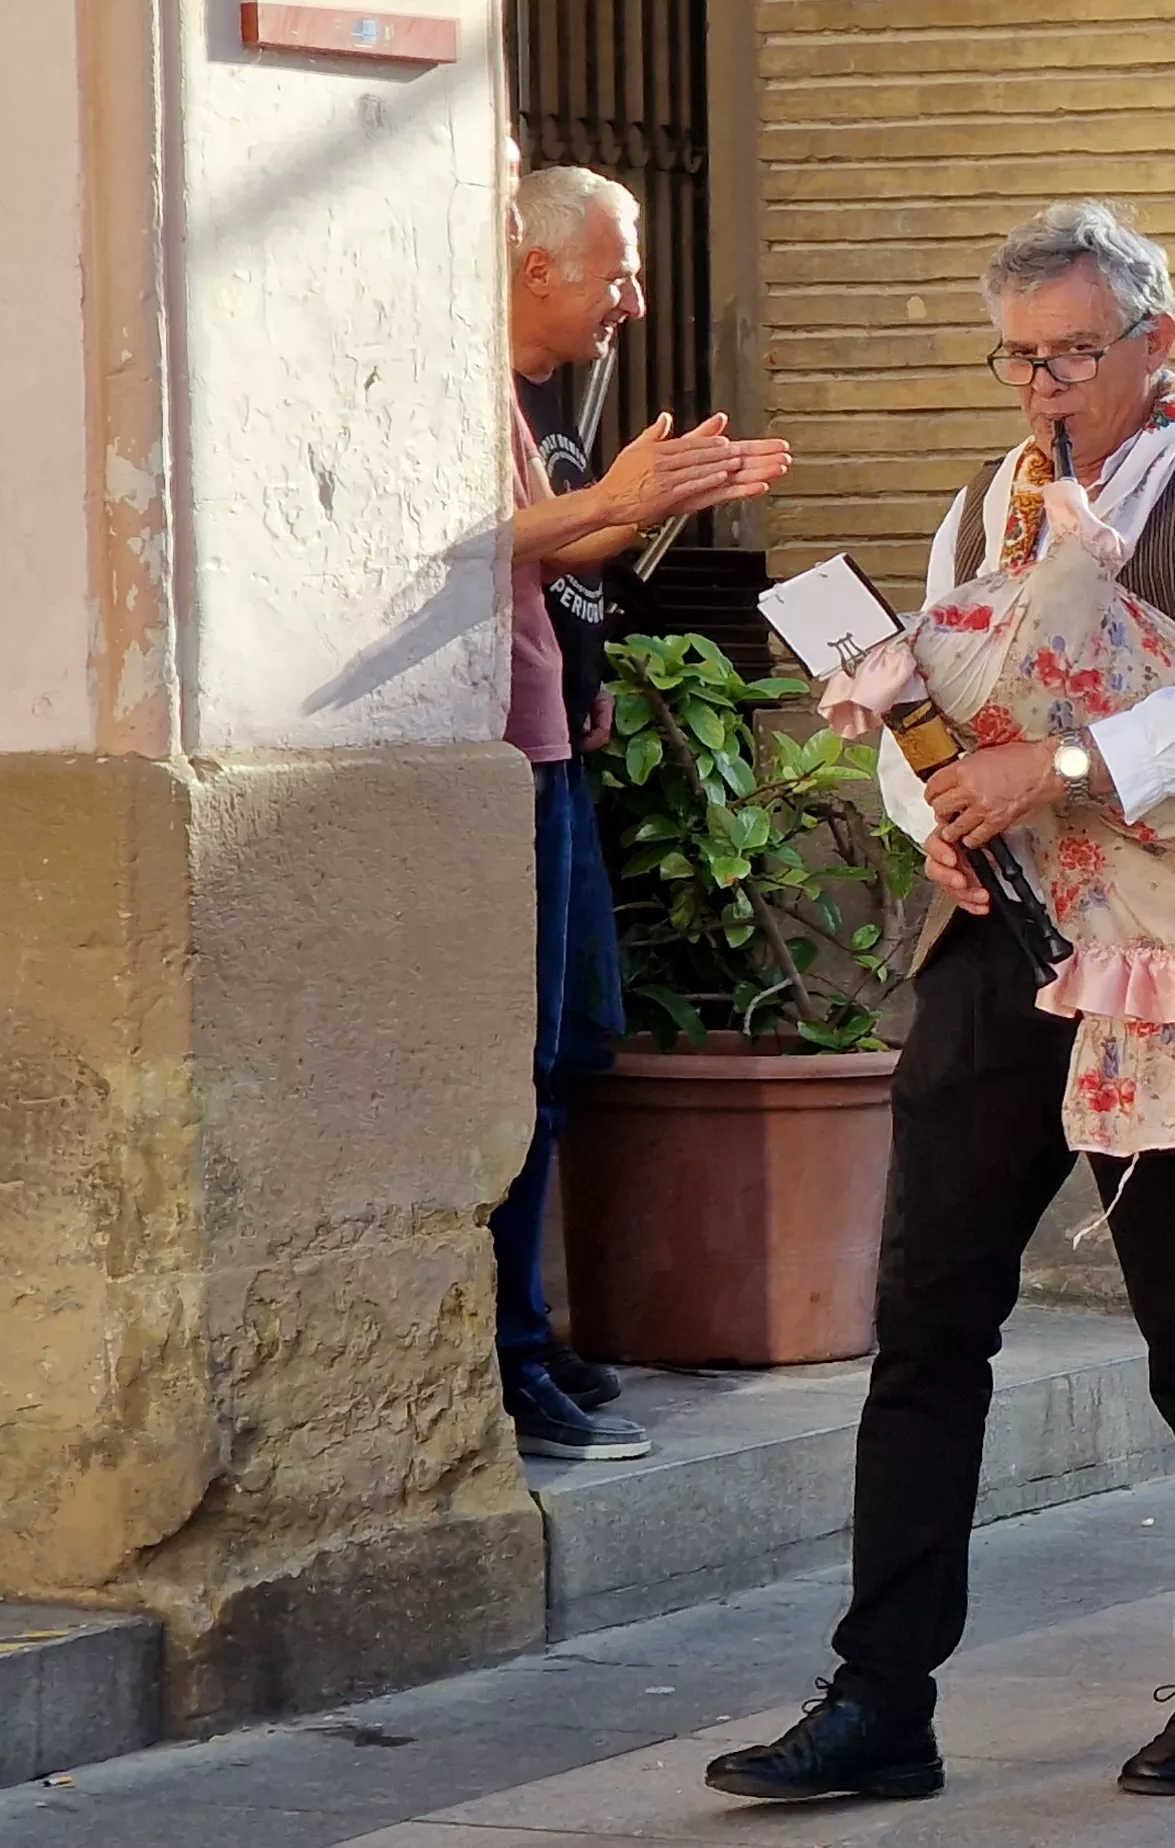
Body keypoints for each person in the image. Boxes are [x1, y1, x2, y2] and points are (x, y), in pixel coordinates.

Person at [705, 199, 1175, 1805]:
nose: (1041, 391)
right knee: (927, 1321)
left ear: (1157, 343)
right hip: (992, 959)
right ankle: (883, 1699)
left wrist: (1064, 767)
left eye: (1073, 355)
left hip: (1158, 966)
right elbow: (919, 717)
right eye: (1018, 360)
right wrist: (930, 819)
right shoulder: (980, 510)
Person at [495, 163, 788, 1461]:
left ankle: (530, 1329)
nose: (635, 301)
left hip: (559, 738)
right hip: (502, 758)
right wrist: (619, 500)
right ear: (536, 265)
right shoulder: (460, 384)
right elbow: (481, 540)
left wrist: (642, 511)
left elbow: (557, 550)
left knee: (577, 1045)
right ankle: (506, 1356)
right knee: (529, 1067)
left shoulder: (545, 392)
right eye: (616, 272)